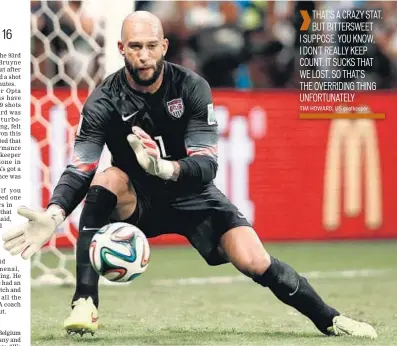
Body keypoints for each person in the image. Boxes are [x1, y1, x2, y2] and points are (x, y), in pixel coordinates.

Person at [3, 11, 377, 339]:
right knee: (108, 178)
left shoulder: (192, 87)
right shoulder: (104, 99)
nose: (144, 55)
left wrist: (164, 167)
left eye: (151, 45)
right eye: (135, 46)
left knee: (255, 261)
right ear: (121, 48)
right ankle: (84, 302)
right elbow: (81, 165)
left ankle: (330, 320)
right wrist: (55, 213)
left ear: (164, 46)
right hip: (139, 200)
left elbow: (206, 164)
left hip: (194, 195)